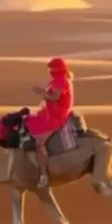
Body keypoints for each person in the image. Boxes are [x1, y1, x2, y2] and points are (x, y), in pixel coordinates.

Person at [26, 57, 75, 188]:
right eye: (50, 68)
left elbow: (55, 97)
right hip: (48, 114)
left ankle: (44, 175)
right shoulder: (55, 81)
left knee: (39, 142)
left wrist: (40, 92)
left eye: (53, 67)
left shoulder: (62, 81)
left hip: (57, 116)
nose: (51, 70)